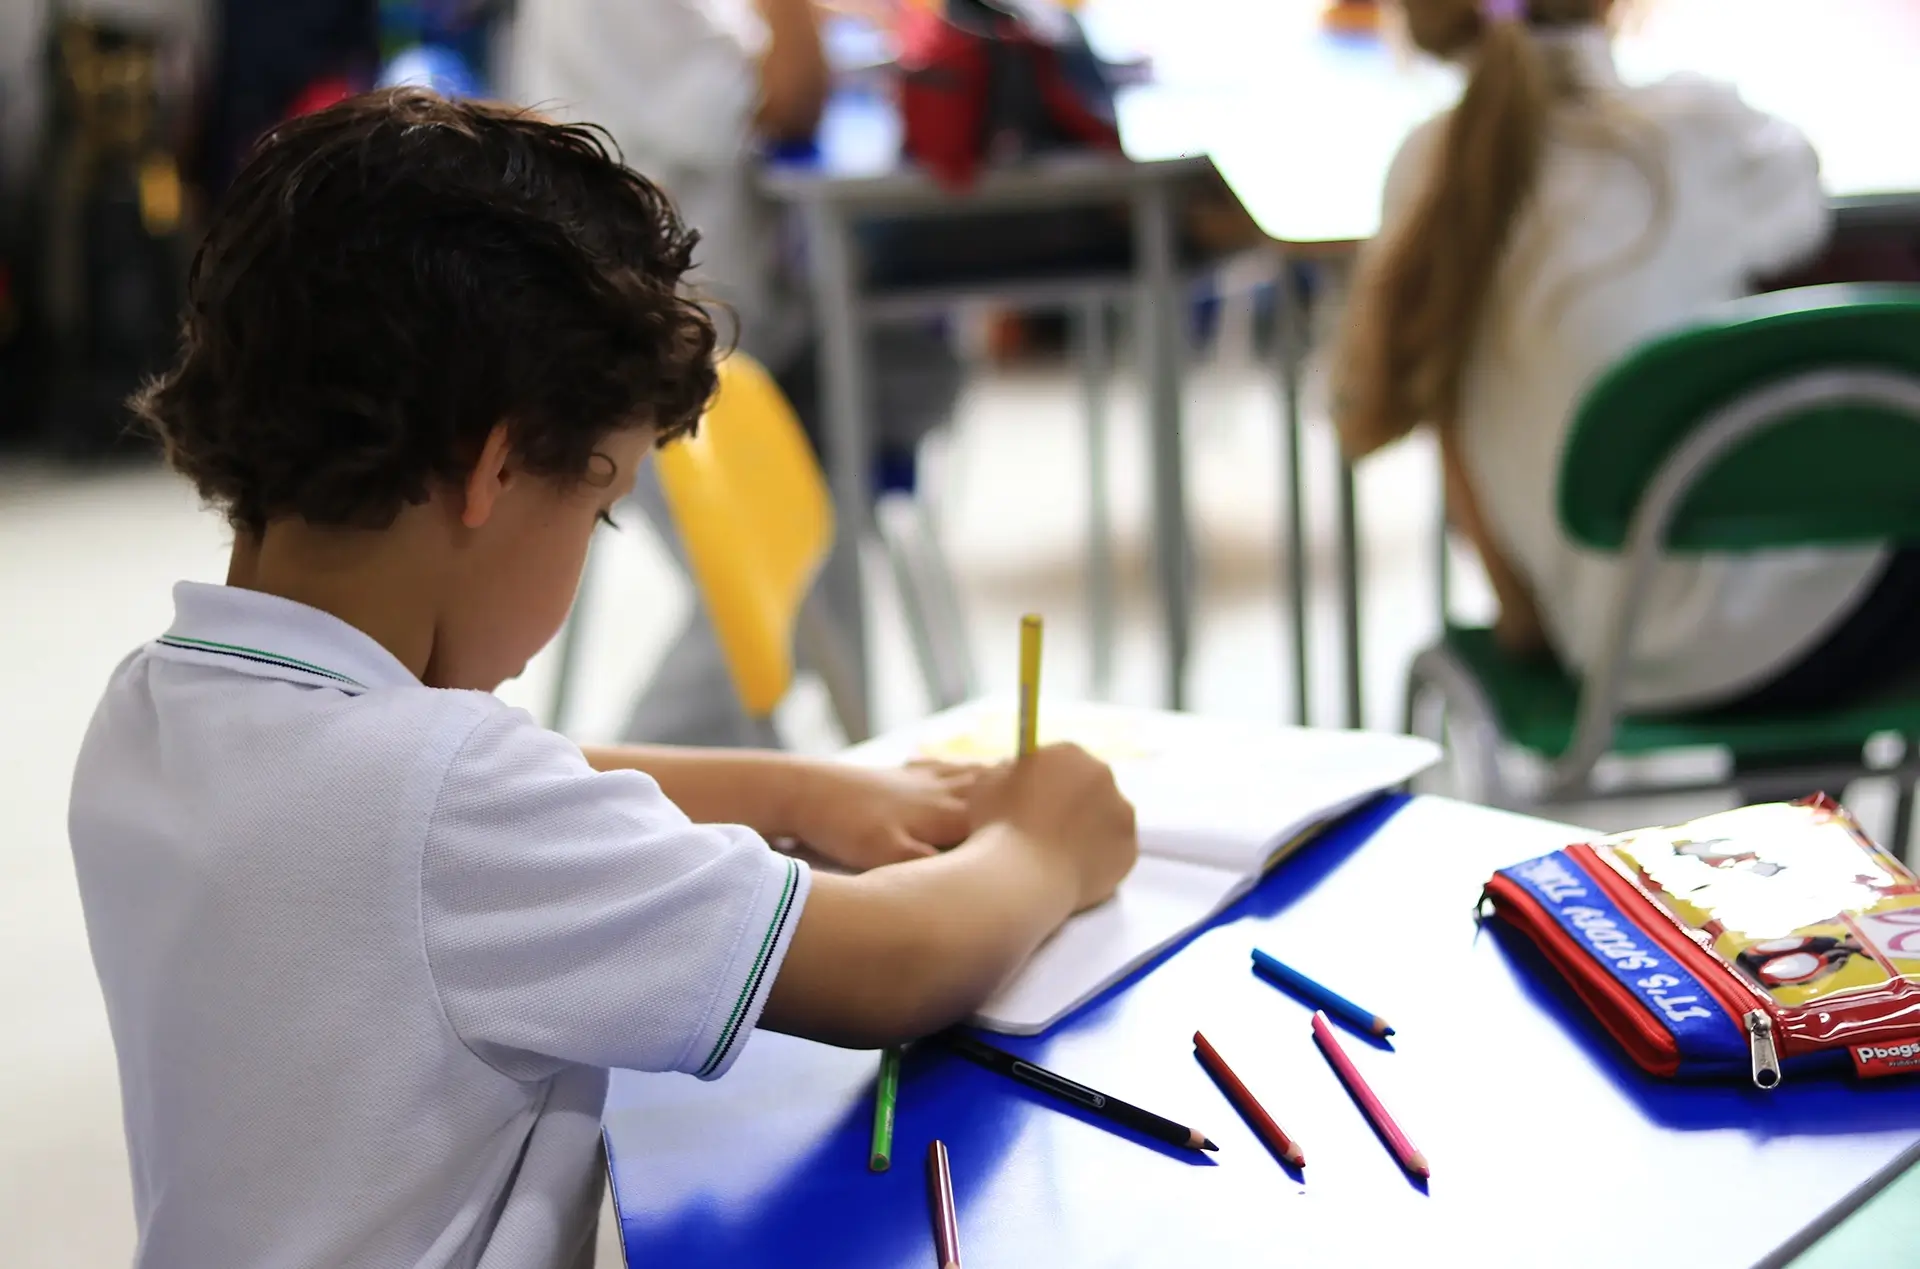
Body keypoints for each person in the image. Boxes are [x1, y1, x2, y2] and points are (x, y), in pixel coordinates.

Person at [67, 90, 1137, 1269]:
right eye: (604, 504)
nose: (595, 535)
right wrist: (1048, 844)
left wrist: (801, 796)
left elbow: (451, 811)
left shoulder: (151, 711)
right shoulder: (442, 802)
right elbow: (891, 966)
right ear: (496, 468)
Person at [1335, 0, 1920, 716]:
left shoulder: (1422, 168)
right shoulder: (1700, 125)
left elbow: (1445, 432)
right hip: (1809, 634)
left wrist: (1529, 620)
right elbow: (1804, 204)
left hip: (1611, 653)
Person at [512, 0, 962, 746]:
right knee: (788, 586)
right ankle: (633, 788)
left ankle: (757, 778)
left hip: (733, 337)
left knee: (912, 381)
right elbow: (791, 100)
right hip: (638, 350)